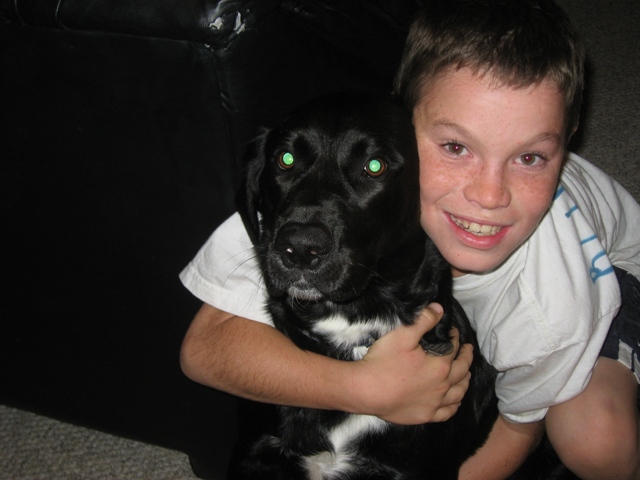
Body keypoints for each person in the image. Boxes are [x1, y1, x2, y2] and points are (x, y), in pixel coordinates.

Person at [179, 0, 640, 478]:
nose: (488, 196)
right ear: (403, 120)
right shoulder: (298, 200)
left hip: (611, 271)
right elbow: (204, 349)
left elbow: (519, 427)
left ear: (567, 141)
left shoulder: (549, 309)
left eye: (530, 157)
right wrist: (367, 388)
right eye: (455, 147)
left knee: (596, 440)